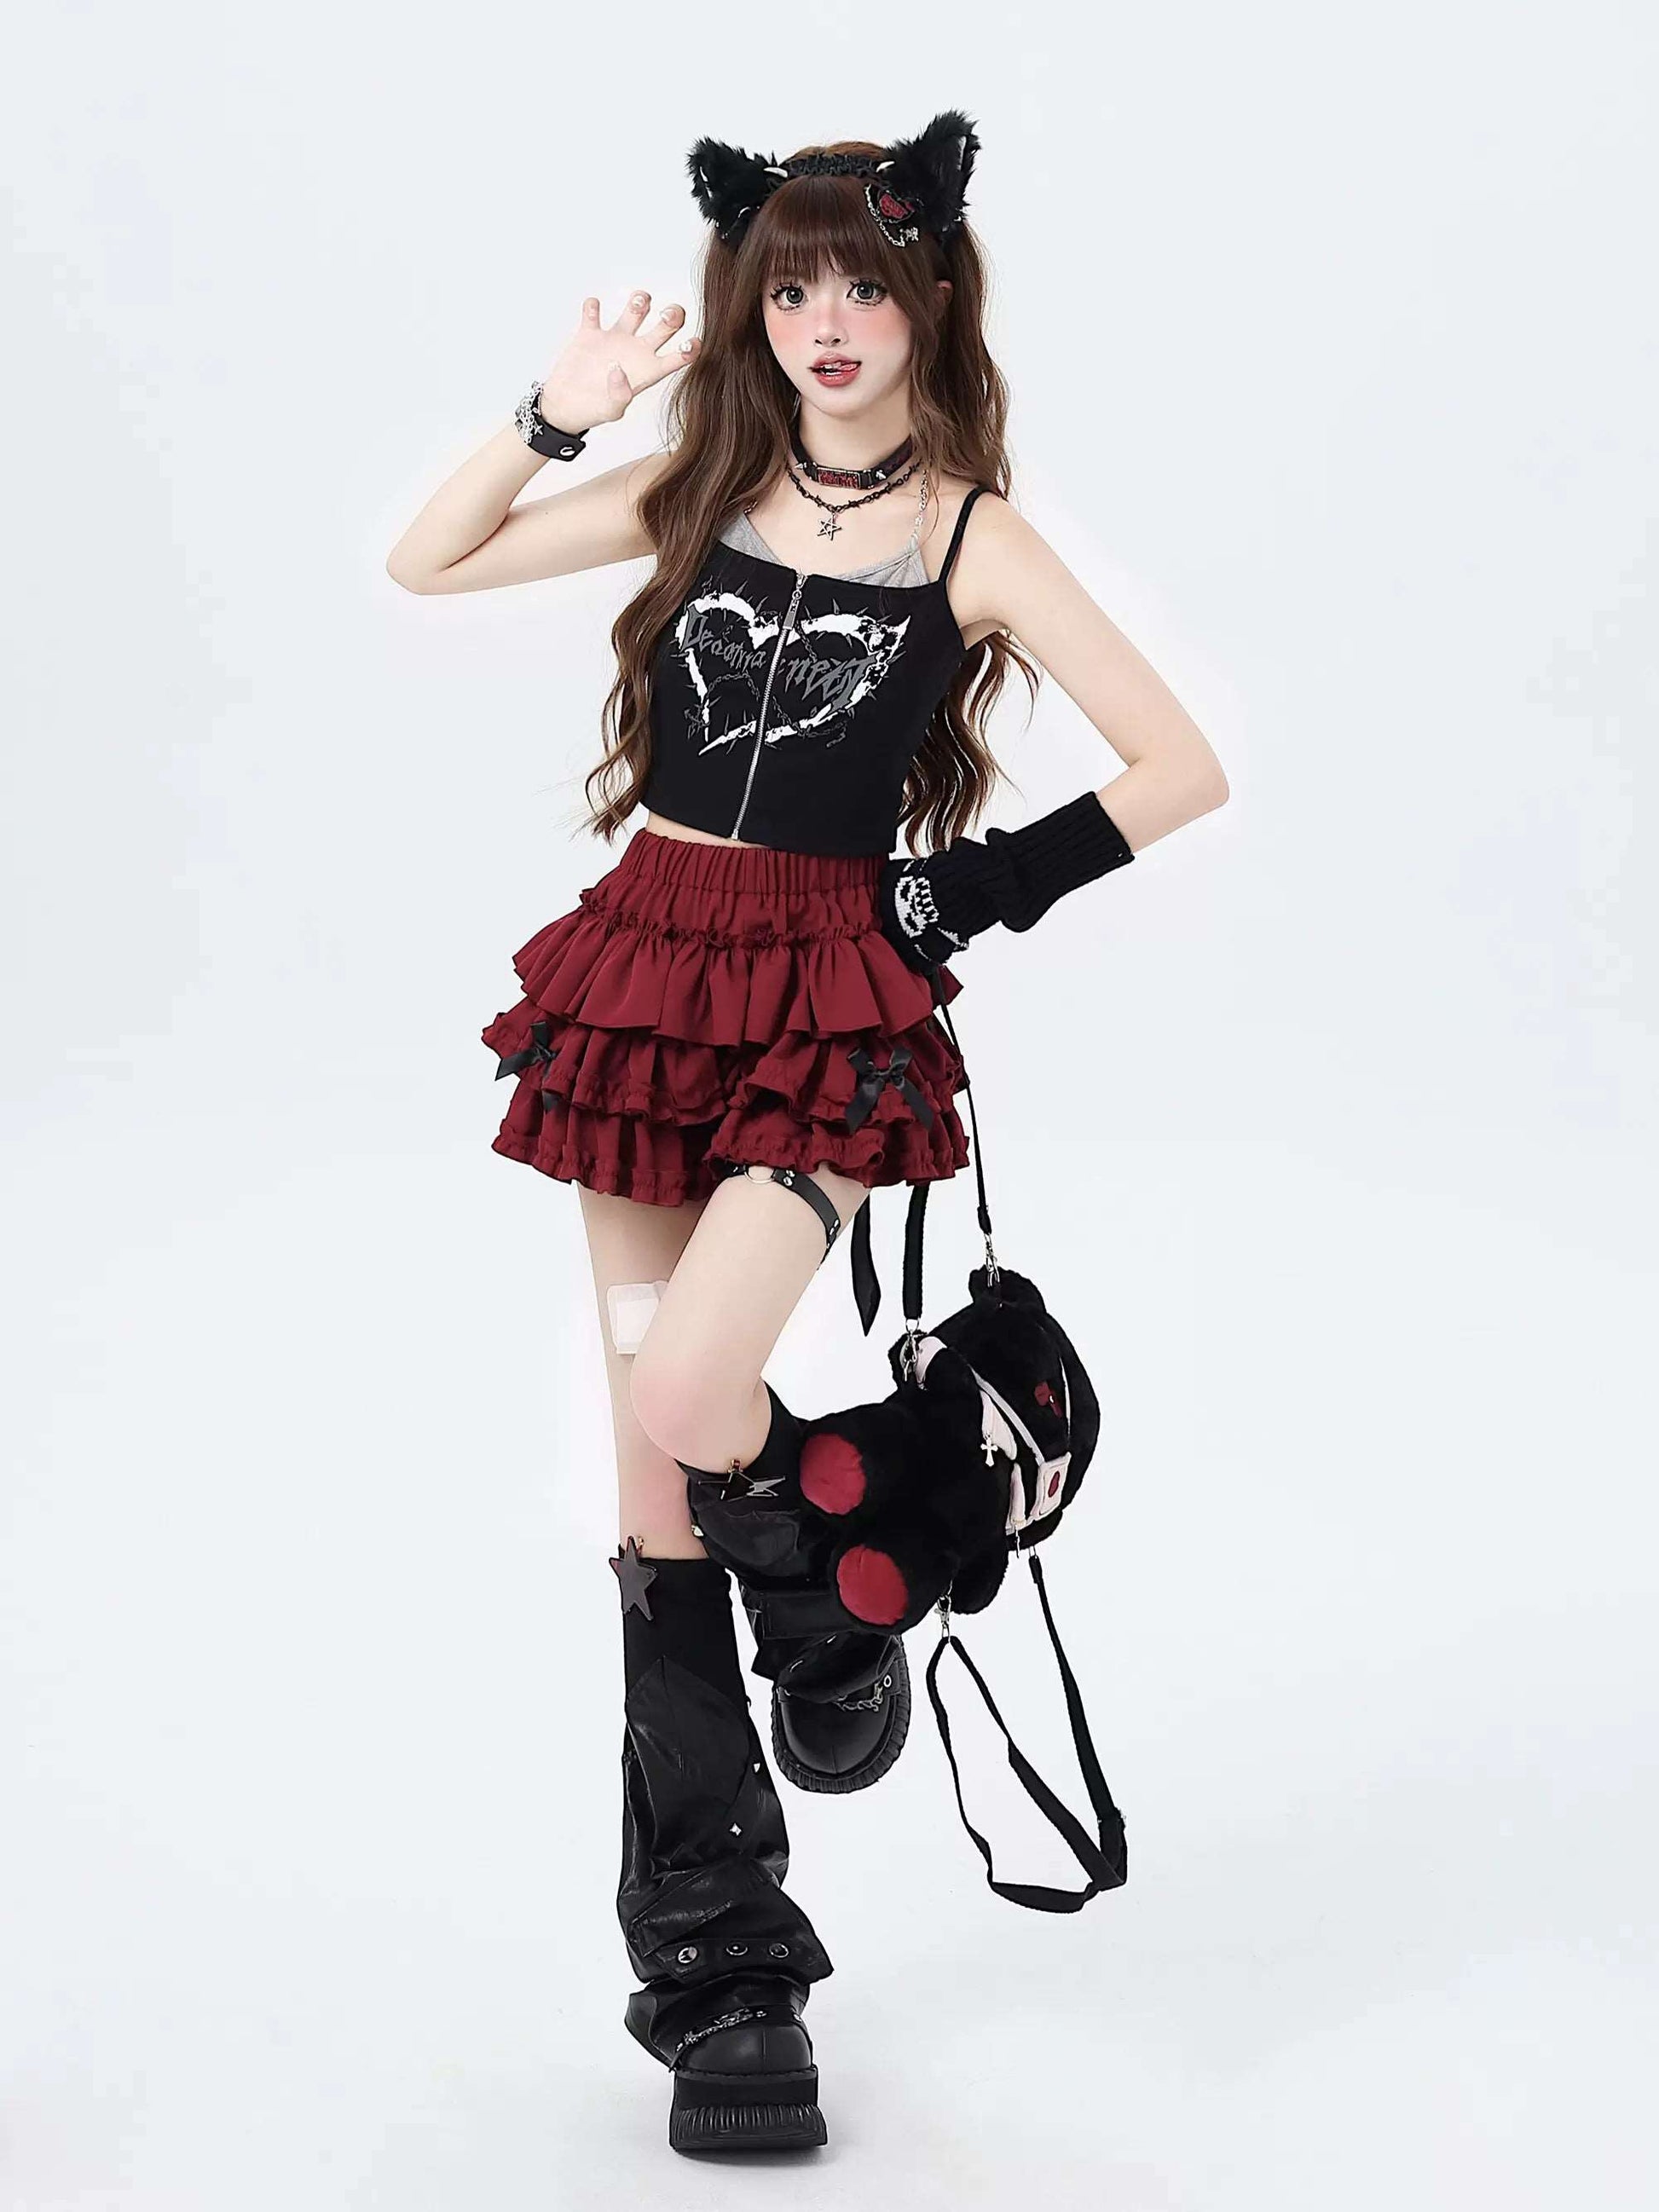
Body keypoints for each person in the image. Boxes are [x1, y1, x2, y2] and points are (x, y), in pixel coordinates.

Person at [386, 111, 1228, 2158]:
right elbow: (430, 558)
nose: (826, 321)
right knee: (651, 1496)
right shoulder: (699, 485)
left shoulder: (971, 536)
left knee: (693, 1386)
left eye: (861, 282)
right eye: (788, 287)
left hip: (833, 1001)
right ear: (752, 309)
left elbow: (1177, 763)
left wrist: (963, 894)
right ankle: (725, 1973)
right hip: (643, 979)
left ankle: (862, 1564)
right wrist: (562, 411)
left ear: (927, 296)